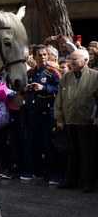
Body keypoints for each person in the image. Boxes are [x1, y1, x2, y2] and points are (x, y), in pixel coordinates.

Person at [54, 49, 98, 192]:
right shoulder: (65, 77)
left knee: (88, 153)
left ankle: (88, 181)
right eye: (71, 59)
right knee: (71, 153)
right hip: (70, 120)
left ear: (86, 61)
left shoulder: (95, 76)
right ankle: (70, 180)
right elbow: (59, 99)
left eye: (75, 59)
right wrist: (59, 118)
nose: (71, 62)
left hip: (87, 121)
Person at [20, 44, 61, 183]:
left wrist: (44, 88)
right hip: (32, 114)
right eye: (40, 55)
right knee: (32, 144)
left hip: (48, 114)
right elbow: (22, 93)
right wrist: (25, 90)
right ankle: (34, 171)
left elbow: (61, 90)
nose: (43, 57)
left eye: (45, 54)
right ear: (34, 57)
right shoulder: (30, 72)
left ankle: (57, 173)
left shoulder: (53, 71)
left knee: (49, 145)